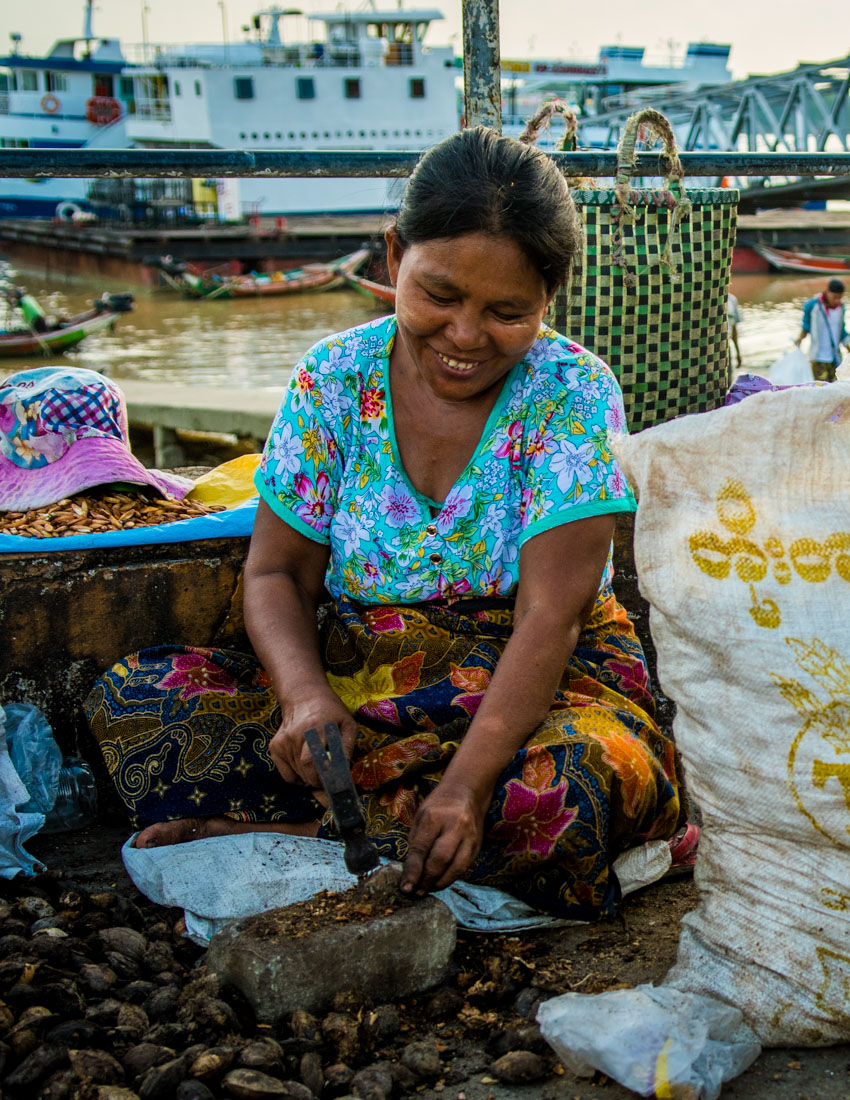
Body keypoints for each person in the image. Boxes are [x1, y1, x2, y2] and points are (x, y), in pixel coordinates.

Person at [84, 128, 685, 919]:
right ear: (394, 254)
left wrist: (468, 789)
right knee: (137, 700)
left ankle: (314, 830)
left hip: (532, 683)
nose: (466, 336)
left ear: (549, 298)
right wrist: (303, 699)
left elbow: (552, 618)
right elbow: (275, 574)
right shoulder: (334, 378)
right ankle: (375, 828)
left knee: (573, 785)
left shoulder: (572, 392)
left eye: (507, 312)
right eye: (440, 295)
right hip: (359, 674)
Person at [796, 278, 850, 382]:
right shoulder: (813, 306)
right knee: (821, 387)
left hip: (835, 357)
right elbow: (806, 326)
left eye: (839, 297)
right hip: (818, 358)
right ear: (827, 291)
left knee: (836, 386)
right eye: (834, 297)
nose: (836, 300)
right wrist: (799, 339)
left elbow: (841, 330)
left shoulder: (841, 307)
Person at [726, 288, 743, 369]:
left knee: (728, 376)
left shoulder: (732, 299)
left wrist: (738, 353)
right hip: (711, 346)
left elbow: (734, 329)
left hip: (726, 345)